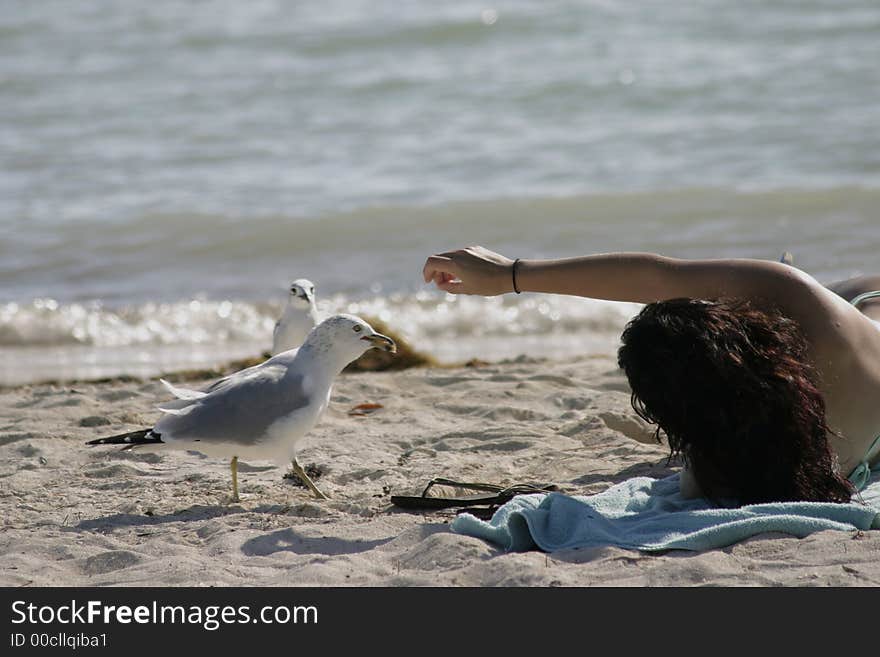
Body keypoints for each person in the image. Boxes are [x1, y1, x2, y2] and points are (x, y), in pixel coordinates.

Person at [422, 246, 880, 505]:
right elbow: (660, 276)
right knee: (811, 287)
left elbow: (660, 280)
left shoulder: (727, 467)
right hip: (860, 318)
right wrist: (509, 275)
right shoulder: (804, 306)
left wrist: (509, 276)